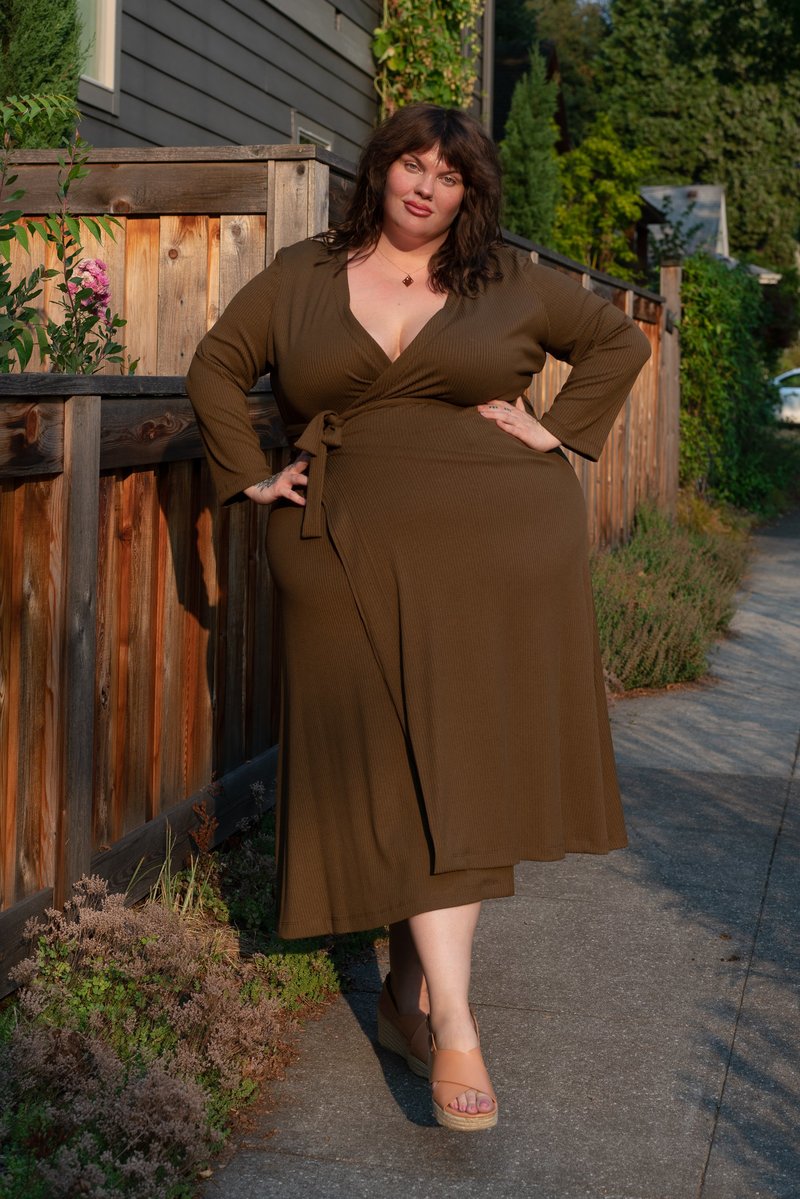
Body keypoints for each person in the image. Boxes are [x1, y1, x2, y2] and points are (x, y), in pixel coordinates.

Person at [186, 103, 651, 1132]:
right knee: (391, 763)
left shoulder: (506, 279)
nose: (427, 187)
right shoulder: (304, 274)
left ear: (469, 192)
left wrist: (558, 431)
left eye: (450, 174)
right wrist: (250, 475)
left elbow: (615, 342)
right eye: (412, 164)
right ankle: (407, 995)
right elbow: (215, 365)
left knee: (455, 767)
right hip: (337, 549)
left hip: (489, 557)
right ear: (381, 169)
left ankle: (450, 1020)